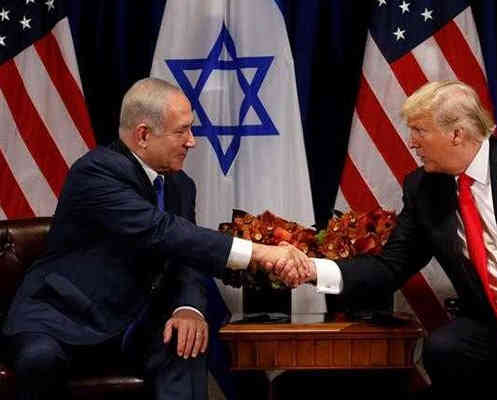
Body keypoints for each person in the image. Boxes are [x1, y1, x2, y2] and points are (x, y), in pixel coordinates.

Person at [276, 80, 497, 398]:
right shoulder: (424, 189)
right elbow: (389, 267)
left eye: (419, 131)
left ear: (456, 134)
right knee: (445, 348)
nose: (412, 143)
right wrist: (312, 270)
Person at [2, 77, 310, 400]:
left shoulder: (180, 185)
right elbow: (161, 231)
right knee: (39, 359)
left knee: (186, 341)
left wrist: (188, 308)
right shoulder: (95, 171)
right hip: (63, 317)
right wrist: (260, 253)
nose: (192, 142)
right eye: (182, 131)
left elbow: (186, 256)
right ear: (144, 135)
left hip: (133, 322)